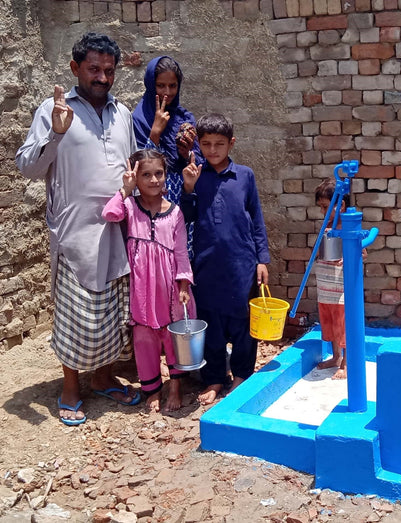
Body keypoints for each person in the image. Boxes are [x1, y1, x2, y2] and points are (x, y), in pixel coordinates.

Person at [15, 31, 140, 426]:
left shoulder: (122, 113)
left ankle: (103, 377)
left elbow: (132, 164)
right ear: (75, 69)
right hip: (74, 236)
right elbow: (28, 167)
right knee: (75, 316)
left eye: (108, 70)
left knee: (113, 314)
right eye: (93, 69)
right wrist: (56, 133)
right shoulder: (53, 111)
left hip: (117, 232)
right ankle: (70, 387)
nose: (102, 77)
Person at [180, 113, 270, 405]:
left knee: (243, 324)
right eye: (206, 144)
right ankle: (215, 377)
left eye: (219, 144)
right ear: (198, 144)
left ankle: (242, 374)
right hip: (206, 265)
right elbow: (187, 218)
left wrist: (262, 259)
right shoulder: (195, 175)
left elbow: (256, 218)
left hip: (241, 264)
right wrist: (189, 189)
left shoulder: (244, 175)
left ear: (231, 143)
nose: (212, 150)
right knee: (211, 324)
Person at [103, 149, 194, 413]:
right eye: (146, 175)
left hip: (169, 287)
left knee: (174, 336)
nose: (154, 180)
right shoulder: (130, 207)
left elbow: (180, 251)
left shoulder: (175, 212)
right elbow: (110, 214)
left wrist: (184, 284)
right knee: (144, 338)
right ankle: (152, 390)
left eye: (159, 173)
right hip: (142, 287)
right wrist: (125, 189)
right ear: (135, 176)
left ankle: (175, 387)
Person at [132, 56, 198, 203]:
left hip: (183, 201)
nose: (167, 92)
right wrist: (155, 132)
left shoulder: (184, 118)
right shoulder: (140, 119)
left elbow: (198, 162)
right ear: (151, 85)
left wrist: (186, 154)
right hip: (152, 204)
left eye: (173, 85)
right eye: (160, 85)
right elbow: (140, 165)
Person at [313, 178, 348, 379]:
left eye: (325, 207)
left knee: (343, 325)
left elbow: (362, 254)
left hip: (341, 290)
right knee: (330, 323)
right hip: (325, 288)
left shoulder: (350, 229)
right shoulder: (326, 229)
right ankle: (335, 357)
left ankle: (346, 362)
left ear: (340, 205)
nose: (322, 212)